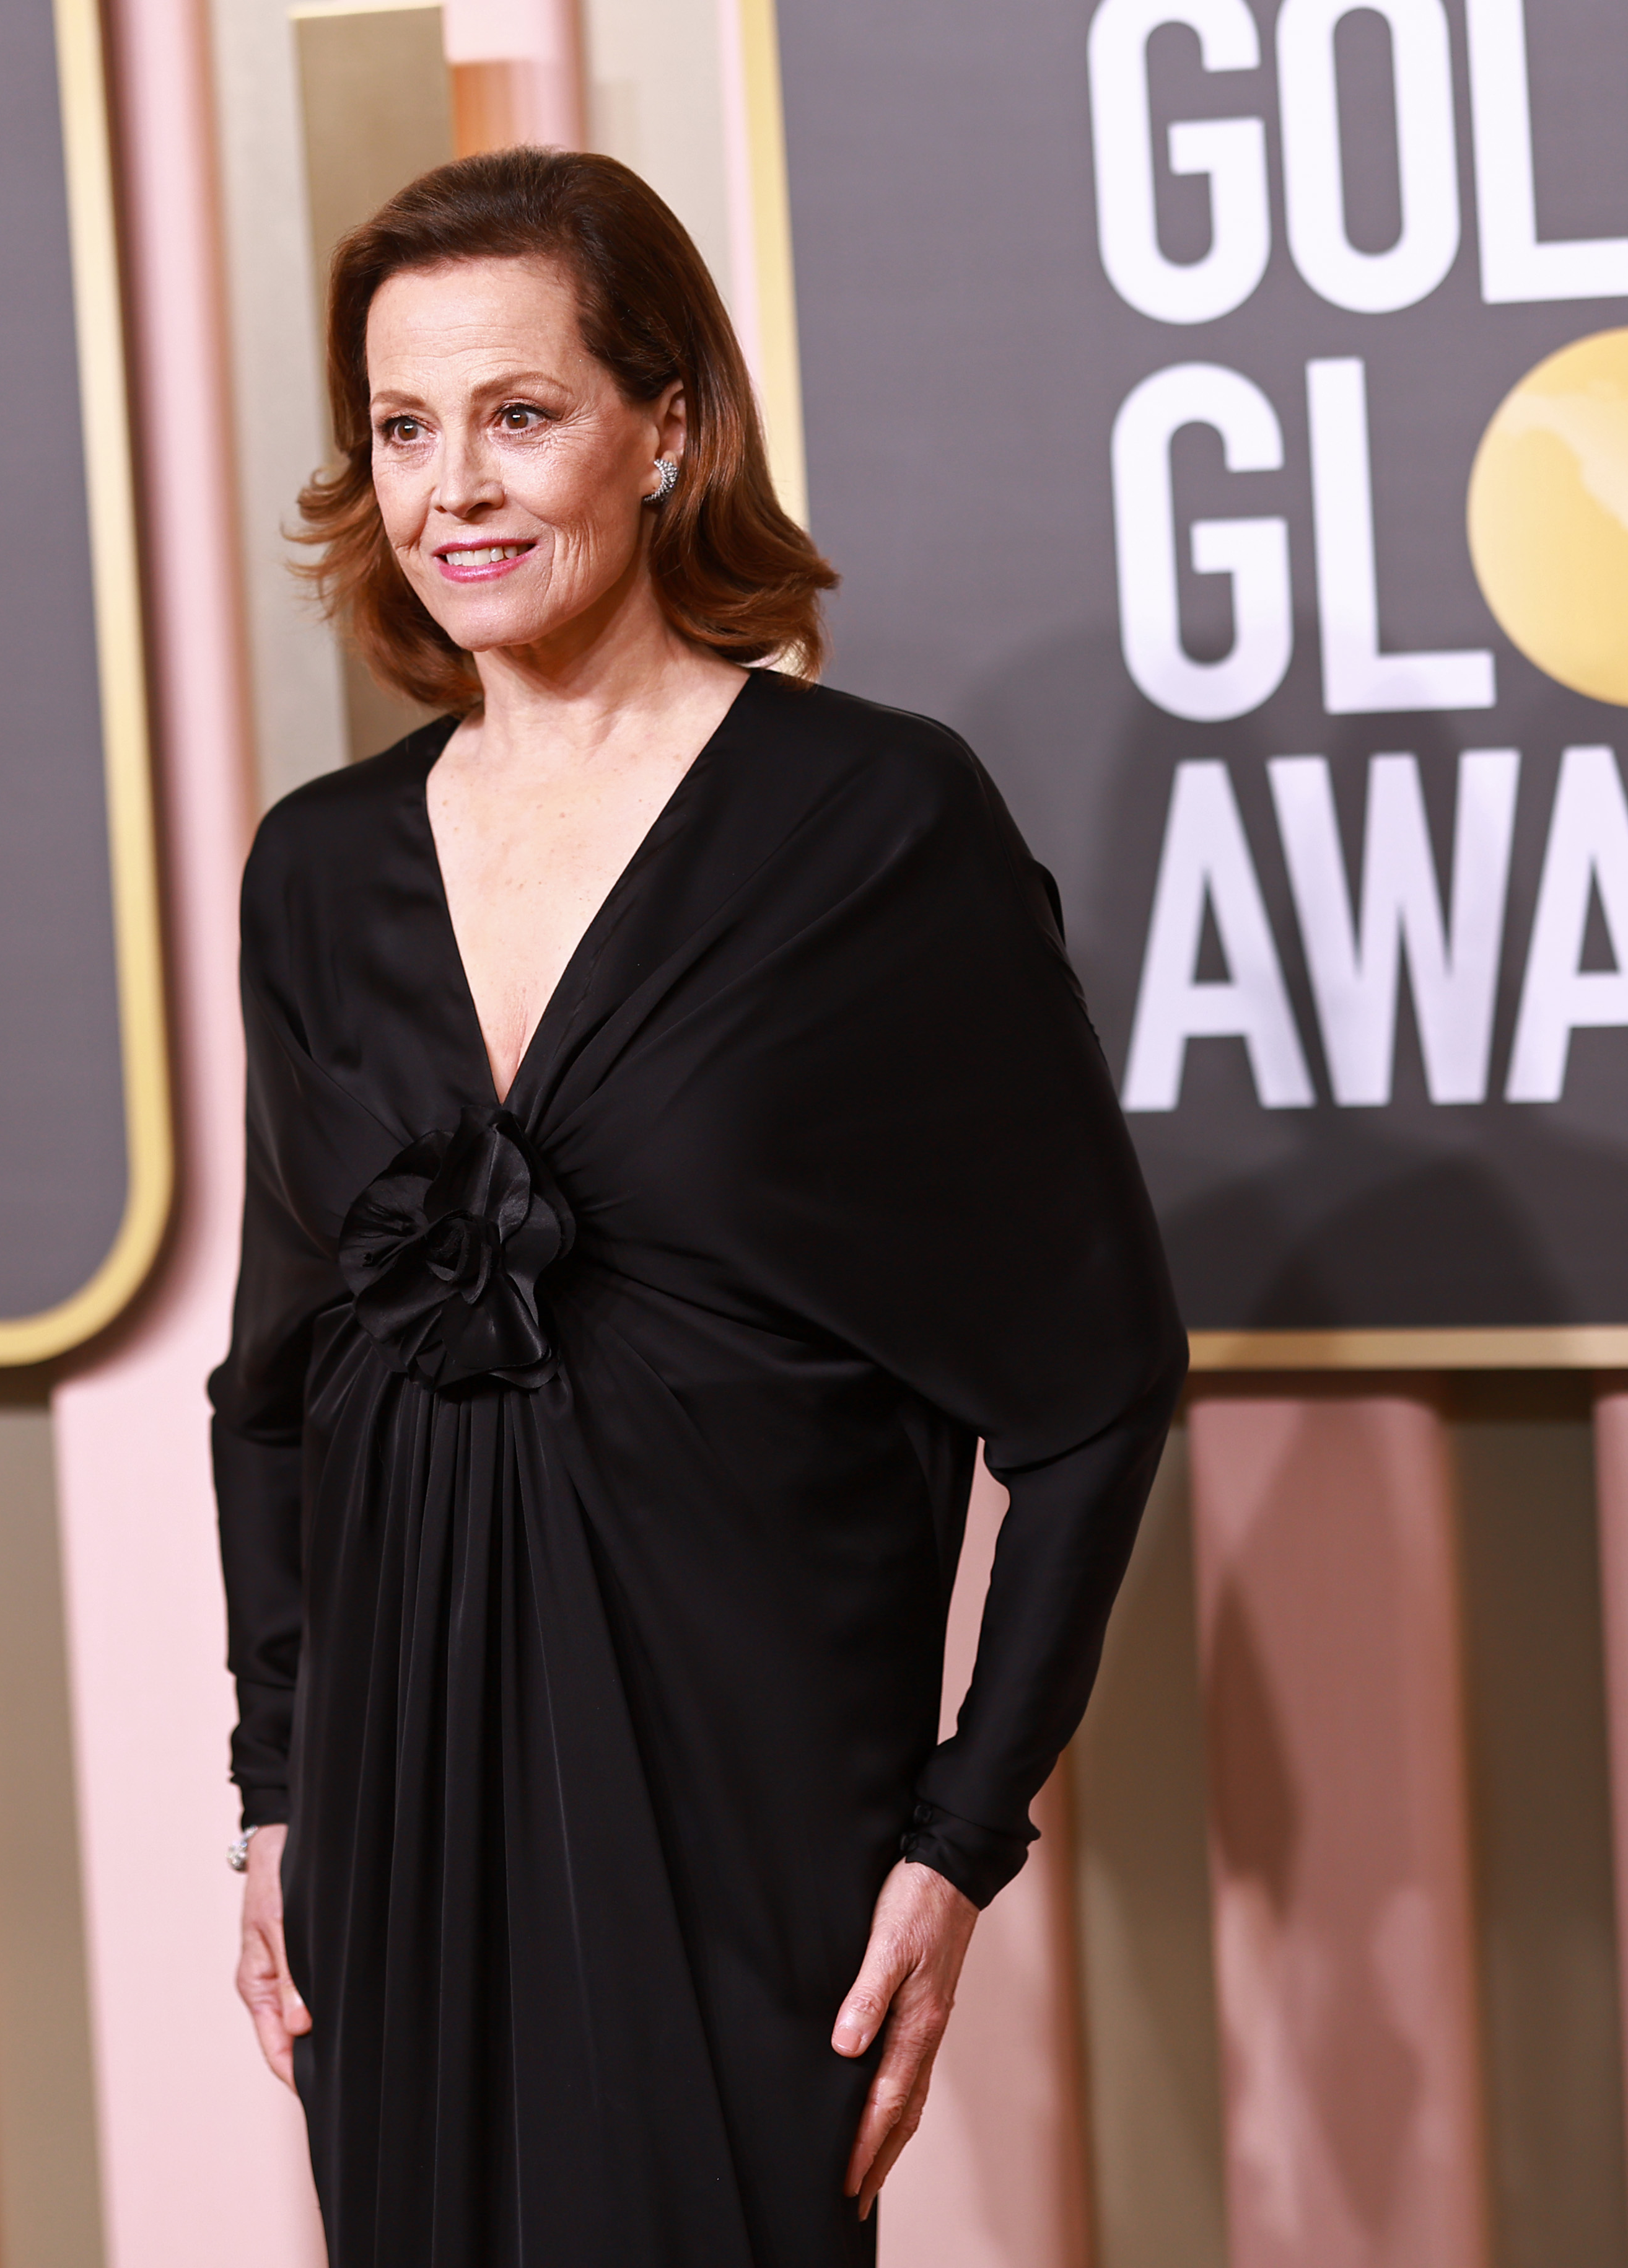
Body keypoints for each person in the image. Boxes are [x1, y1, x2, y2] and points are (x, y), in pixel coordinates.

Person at [211, 146, 1183, 2267]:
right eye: (399, 426)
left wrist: (953, 1840)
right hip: (397, 1821)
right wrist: (277, 1792)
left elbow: (1096, 1388)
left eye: (517, 411)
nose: (450, 483)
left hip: (746, 1834)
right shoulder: (316, 870)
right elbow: (273, 1384)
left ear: (668, 429)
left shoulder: (876, 829)